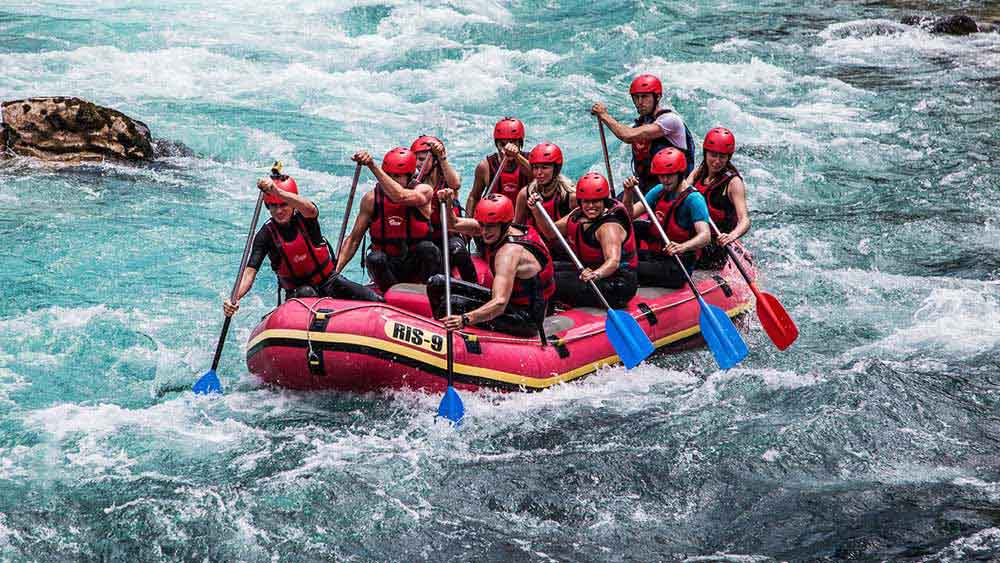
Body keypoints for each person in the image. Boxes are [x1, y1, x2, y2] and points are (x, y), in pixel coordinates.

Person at [222, 165, 383, 317]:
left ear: (292, 203)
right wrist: (234, 298)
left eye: (283, 205)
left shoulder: (306, 218)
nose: (278, 211)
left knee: (374, 301)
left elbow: (310, 208)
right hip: (298, 294)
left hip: (329, 282)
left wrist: (276, 191)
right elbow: (250, 272)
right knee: (307, 293)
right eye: (272, 206)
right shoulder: (265, 235)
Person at [428, 193, 555, 340]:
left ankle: (447, 338)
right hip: (511, 304)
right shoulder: (495, 229)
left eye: (489, 226)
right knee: (436, 283)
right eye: (481, 224)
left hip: (526, 318)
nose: (483, 231)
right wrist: (448, 203)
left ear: (504, 224)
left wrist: (465, 319)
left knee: (454, 303)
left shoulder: (508, 254)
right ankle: (442, 327)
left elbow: (500, 303)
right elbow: (453, 224)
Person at [336, 147, 442, 293]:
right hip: (390, 267)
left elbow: (400, 196)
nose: (391, 181)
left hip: (416, 266)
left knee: (428, 249)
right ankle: (391, 297)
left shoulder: (423, 191)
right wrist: (334, 272)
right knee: (374, 258)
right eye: (389, 176)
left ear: (410, 176)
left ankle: (431, 294)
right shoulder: (371, 199)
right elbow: (354, 240)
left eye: (397, 177)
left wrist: (373, 166)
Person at [529, 172, 638, 309]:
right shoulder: (577, 215)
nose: (591, 206)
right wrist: (536, 211)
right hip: (591, 270)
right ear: (580, 201)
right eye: (586, 201)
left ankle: (549, 308)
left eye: (596, 201)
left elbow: (613, 261)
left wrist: (595, 274)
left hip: (618, 283)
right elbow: (550, 232)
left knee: (551, 281)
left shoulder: (609, 227)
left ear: (604, 200)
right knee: (543, 270)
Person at [590, 73, 696, 193]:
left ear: (657, 97)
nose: (640, 102)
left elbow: (627, 136)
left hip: (672, 187)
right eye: (636, 97)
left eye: (645, 97)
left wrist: (604, 115)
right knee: (614, 210)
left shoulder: (670, 120)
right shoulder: (641, 124)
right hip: (647, 186)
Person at [623, 148, 710, 288]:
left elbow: (705, 236)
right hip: (657, 254)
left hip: (677, 266)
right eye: (661, 175)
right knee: (633, 232)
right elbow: (630, 215)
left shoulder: (694, 199)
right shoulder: (659, 190)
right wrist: (628, 194)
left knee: (627, 269)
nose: (665, 180)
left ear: (680, 173)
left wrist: (682, 247)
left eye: (670, 175)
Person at [410, 135, 477, 283]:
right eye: (416, 159)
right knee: (427, 250)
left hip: (447, 235)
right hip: (425, 239)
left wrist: (441, 157)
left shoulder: (446, 179)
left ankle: (474, 286)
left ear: (434, 161)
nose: (418, 164)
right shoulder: (413, 181)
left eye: (422, 159)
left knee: (457, 248)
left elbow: (456, 184)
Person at [686, 127, 750, 268]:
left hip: (714, 246)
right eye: (713, 155)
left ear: (729, 157)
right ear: (705, 153)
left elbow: (744, 220)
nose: (717, 161)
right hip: (693, 236)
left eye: (722, 156)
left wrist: (731, 236)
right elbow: (682, 190)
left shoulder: (734, 183)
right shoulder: (700, 171)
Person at [512, 142, 576, 259]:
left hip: (563, 253)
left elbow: (551, 234)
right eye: (535, 168)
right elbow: (516, 228)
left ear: (556, 169)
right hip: (535, 251)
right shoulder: (524, 194)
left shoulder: (570, 197)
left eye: (544, 167)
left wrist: (536, 211)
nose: (539, 173)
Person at [466, 117, 533, 217]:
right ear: (496, 144)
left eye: (513, 142)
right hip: (495, 222)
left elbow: (537, 177)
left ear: (520, 143)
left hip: (523, 222)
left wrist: (517, 156)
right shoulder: (485, 167)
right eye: (502, 144)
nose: (506, 148)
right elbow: (474, 197)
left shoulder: (531, 161)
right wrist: (469, 224)